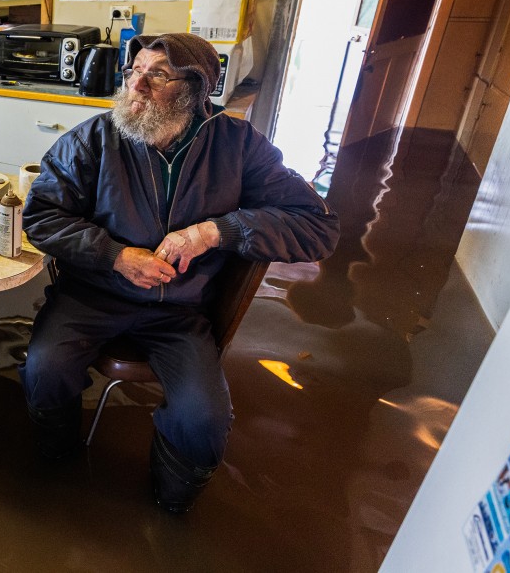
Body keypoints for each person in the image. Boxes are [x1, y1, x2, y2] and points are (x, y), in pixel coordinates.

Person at [21, 32, 339, 512]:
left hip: (180, 310)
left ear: (195, 90)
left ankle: (171, 503)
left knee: (204, 421)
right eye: (134, 73)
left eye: (157, 76)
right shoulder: (95, 137)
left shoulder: (237, 146)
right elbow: (42, 216)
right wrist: (114, 256)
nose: (137, 87)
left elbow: (318, 228)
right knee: (43, 370)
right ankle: (57, 454)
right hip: (93, 294)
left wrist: (216, 231)